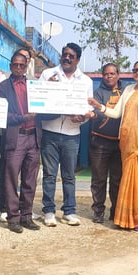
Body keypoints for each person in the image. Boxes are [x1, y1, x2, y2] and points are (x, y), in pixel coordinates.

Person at [88, 60, 138, 230]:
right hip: (126, 142)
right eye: (135, 70)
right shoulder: (128, 89)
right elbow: (116, 113)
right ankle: (125, 218)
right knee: (126, 180)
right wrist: (99, 106)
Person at [37, 43, 94, 227]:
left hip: (72, 133)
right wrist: (48, 87)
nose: (67, 58)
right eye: (65, 54)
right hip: (50, 131)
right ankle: (49, 211)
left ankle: (69, 211)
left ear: (77, 59)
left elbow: (88, 107)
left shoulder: (86, 81)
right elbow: (39, 99)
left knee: (69, 175)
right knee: (49, 174)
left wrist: (81, 118)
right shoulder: (48, 74)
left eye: (71, 56)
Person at [0, 51, 46, 233]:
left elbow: (46, 106)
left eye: (21, 65)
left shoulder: (35, 86)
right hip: (15, 137)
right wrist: (21, 118)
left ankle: (27, 216)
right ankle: (13, 217)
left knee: (30, 179)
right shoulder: (2, 88)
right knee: (10, 179)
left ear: (26, 67)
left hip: (34, 136)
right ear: (10, 66)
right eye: (15, 65)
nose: (18, 68)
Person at [89, 63, 123, 224]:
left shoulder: (126, 92)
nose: (109, 76)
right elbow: (97, 113)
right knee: (99, 179)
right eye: (106, 74)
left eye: (112, 73)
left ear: (118, 75)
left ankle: (116, 211)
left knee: (117, 180)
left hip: (120, 143)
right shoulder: (97, 93)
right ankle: (98, 211)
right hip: (100, 142)